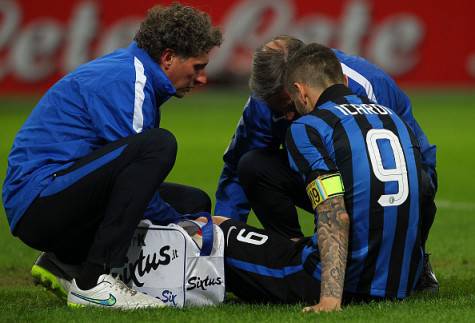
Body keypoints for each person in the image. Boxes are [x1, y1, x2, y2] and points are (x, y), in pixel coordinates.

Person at [2, 3, 222, 309]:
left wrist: (187, 216)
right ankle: (93, 282)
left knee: (193, 201)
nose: (202, 79)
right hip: (38, 203)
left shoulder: (133, 72)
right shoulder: (128, 78)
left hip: (54, 194)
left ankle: (64, 261)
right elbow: (135, 175)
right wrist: (180, 224)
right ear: (169, 57)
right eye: (198, 67)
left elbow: (127, 181)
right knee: (157, 145)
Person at [214, 35, 438, 292]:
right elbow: (234, 170)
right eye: (278, 110)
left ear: (300, 88)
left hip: (381, 184)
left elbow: (415, 160)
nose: (287, 116)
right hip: (321, 177)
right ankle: (295, 254)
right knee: (252, 165)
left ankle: (411, 262)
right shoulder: (262, 104)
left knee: (419, 181)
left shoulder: (370, 84)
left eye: (289, 105)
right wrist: (219, 246)